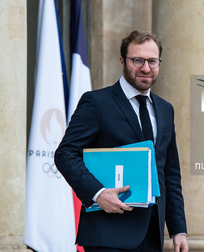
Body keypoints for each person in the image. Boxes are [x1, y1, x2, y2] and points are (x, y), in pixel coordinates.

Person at [54, 30, 188, 252]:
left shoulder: (166, 109)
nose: (146, 68)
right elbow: (65, 153)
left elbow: (170, 173)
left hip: (151, 235)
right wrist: (98, 193)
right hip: (107, 234)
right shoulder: (96, 102)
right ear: (122, 61)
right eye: (137, 60)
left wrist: (178, 229)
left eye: (152, 61)